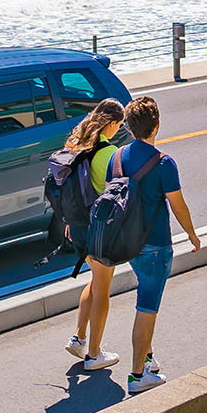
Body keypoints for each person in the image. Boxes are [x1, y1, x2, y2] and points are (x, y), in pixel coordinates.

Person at [111, 96, 200, 396]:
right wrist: (191, 234)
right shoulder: (164, 163)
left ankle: (147, 358)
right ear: (157, 126)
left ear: (130, 126)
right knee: (146, 308)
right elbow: (178, 206)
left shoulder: (118, 157)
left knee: (146, 300)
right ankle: (137, 375)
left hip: (128, 244)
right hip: (156, 246)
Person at [62, 98, 129, 372]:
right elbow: (114, 194)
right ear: (112, 124)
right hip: (99, 229)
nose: (119, 130)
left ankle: (78, 338)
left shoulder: (76, 143)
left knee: (95, 280)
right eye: (120, 125)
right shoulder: (109, 153)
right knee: (103, 290)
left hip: (76, 227)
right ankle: (94, 355)